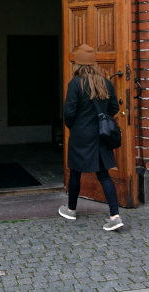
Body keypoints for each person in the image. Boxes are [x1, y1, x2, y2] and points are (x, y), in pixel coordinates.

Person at [58, 44, 123, 231]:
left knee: (76, 172)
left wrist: (75, 127)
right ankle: (115, 215)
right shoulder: (106, 82)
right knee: (104, 175)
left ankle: (71, 209)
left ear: (78, 64)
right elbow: (113, 109)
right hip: (101, 135)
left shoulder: (75, 84)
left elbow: (69, 113)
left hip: (81, 135)